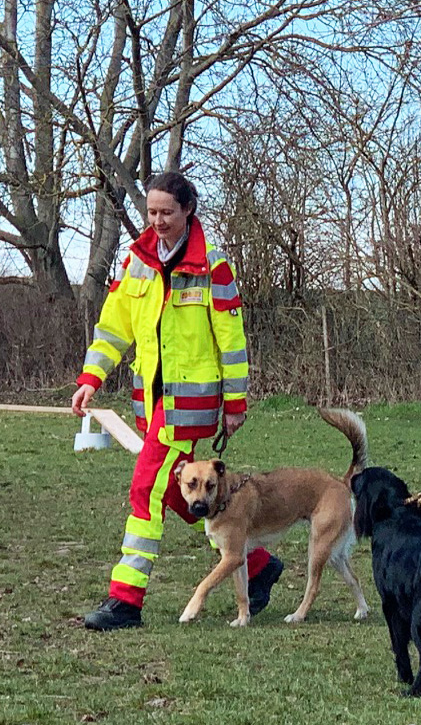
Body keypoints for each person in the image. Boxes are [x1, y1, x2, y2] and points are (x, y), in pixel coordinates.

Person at [72, 171, 282, 630]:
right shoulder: (137, 262)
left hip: (193, 409)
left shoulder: (214, 266)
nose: (158, 220)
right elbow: (114, 328)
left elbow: (233, 341)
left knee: (145, 491)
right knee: (179, 493)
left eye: (167, 212)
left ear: (188, 209)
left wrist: (236, 402)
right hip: (151, 406)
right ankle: (259, 563)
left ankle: (125, 600)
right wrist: (92, 376)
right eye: (152, 212)